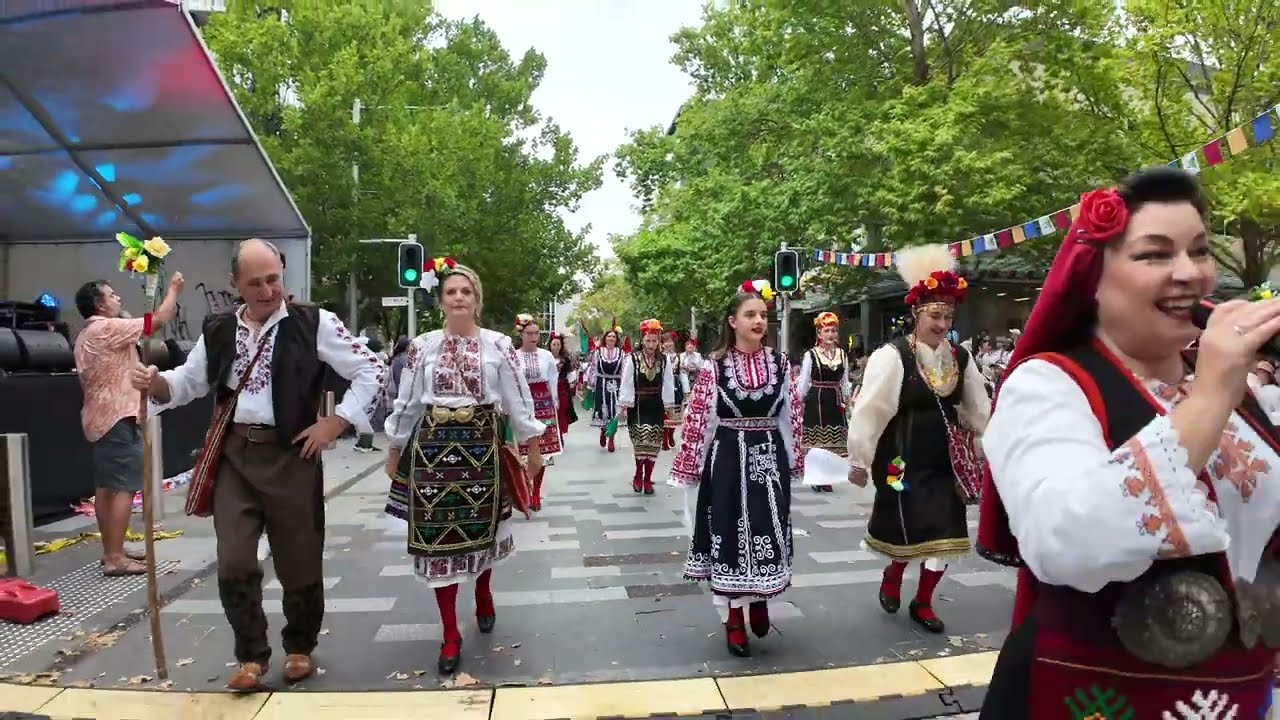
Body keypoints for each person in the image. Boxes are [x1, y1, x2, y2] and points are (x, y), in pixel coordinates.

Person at [975, 167, 1280, 717]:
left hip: (1243, 694)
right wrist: (1210, 394)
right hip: (1093, 696)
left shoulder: (1243, 389)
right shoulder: (1048, 386)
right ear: (1094, 277)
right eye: (1155, 255)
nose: (1191, 274)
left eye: (1200, 251)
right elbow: (1064, 539)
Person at [131, 239, 385, 690]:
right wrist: (155, 384)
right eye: (256, 283)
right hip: (235, 458)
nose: (268, 291)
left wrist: (336, 422)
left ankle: (299, 647)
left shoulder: (314, 323)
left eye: (274, 279)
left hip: (292, 455)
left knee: (299, 560)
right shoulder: (219, 329)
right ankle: (251, 655)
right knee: (233, 560)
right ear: (236, 286)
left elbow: (372, 369)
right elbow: (188, 382)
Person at [382, 258, 544, 676]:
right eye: (451, 291)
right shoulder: (422, 347)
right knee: (437, 541)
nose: (458, 297)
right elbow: (408, 401)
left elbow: (518, 398)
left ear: (476, 301)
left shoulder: (498, 346)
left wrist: (532, 447)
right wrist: (395, 448)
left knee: (482, 531)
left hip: (482, 449)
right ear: (441, 300)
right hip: (433, 451)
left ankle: (484, 593)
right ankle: (450, 632)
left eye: (466, 292)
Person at [847, 243, 991, 634]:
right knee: (907, 526)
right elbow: (871, 409)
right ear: (915, 313)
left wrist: (987, 446)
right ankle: (893, 574)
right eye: (935, 315)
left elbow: (978, 408)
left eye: (948, 316)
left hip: (946, 459)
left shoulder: (960, 358)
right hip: (901, 458)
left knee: (945, 529)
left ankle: (924, 601)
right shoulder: (892, 356)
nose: (942, 324)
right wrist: (859, 458)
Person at [670, 280, 803, 657]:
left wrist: (793, 462)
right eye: (750, 315)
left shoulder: (780, 365)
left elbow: (790, 417)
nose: (759, 320)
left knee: (768, 527)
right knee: (727, 533)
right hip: (727, 460)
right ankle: (733, 619)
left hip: (767, 462)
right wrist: (690, 470)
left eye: (763, 315)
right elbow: (699, 421)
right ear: (733, 322)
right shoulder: (714, 369)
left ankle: (760, 599)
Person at [74, 272, 184, 576]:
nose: (118, 299)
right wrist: (173, 289)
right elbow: (156, 320)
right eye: (112, 296)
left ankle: (114, 548)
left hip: (99, 418)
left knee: (106, 487)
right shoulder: (106, 328)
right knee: (122, 487)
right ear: (99, 304)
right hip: (117, 417)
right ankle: (114, 558)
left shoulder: (86, 334)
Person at [617, 319, 676, 494]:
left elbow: (667, 382)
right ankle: (638, 474)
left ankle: (648, 478)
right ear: (642, 340)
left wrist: (669, 406)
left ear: (658, 342)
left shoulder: (664, 360)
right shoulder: (633, 359)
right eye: (648, 341)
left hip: (656, 404)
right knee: (641, 441)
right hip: (638, 404)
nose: (651, 344)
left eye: (654, 341)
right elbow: (627, 382)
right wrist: (624, 405)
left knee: (654, 442)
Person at [796, 311, 852, 493]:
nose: (831, 335)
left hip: (834, 399)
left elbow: (844, 380)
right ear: (819, 334)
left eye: (834, 331)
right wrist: (798, 400)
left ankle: (827, 476)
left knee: (834, 440)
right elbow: (804, 381)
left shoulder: (842, 355)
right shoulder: (811, 355)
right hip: (817, 399)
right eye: (827, 331)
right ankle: (816, 476)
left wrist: (847, 399)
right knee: (817, 440)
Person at [513, 313, 563, 511]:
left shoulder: (546, 355)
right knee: (523, 451)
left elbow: (552, 379)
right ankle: (526, 488)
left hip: (543, 403)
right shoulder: (514, 356)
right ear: (521, 335)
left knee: (542, 451)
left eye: (536, 333)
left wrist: (555, 401)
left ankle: (536, 493)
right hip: (522, 403)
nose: (534, 337)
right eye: (529, 333)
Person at [585, 328, 625, 451]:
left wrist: (625, 387)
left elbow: (624, 370)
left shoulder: (622, 354)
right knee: (603, 410)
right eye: (609, 337)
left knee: (615, 411)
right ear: (605, 339)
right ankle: (603, 431)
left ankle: (611, 439)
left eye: (613, 337)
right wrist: (589, 386)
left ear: (616, 339)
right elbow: (593, 368)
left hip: (616, 385)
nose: (611, 339)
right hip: (601, 384)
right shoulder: (598, 353)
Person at [547, 333, 578, 436]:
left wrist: (571, 383)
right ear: (550, 345)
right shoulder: (545, 358)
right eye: (554, 344)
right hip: (549, 388)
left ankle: (560, 432)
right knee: (551, 410)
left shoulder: (565, 359)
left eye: (558, 345)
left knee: (563, 408)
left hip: (562, 387)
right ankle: (553, 431)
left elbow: (570, 372)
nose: (556, 347)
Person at [660, 332, 683, 450]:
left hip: (675, 384)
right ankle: (664, 439)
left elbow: (682, 373)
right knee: (664, 413)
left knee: (674, 414)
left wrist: (687, 390)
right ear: (662, 344)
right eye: (666, 342)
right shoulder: (659, 356)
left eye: (670, 342)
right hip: (663, 385)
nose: (669, 344)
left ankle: (670, 434)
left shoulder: (678, 357)